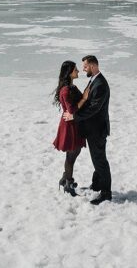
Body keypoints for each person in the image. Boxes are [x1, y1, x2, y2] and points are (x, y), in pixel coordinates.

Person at [63, 54, 111, 205]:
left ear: (93, 66)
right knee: (96, 159)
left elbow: (94, 108)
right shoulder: (94, 80)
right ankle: (97, 184)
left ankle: (106, 193)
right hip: (93, 128)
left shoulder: (100, 84)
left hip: (97, 129)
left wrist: (74, 117)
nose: (83, 70)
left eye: (85, 67)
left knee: (100, 161)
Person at [53, 60, 87, 196]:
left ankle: (65, 178)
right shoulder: (66, 90)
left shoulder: (72, 87)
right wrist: (84, 99)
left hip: (75, 123)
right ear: (69, 73)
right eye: (75, 69)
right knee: (72, 153)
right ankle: (68, 183)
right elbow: (71, 109)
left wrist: (85, 98)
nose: (78, 71)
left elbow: (82, 100)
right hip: (69, 125)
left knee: (74, 152)